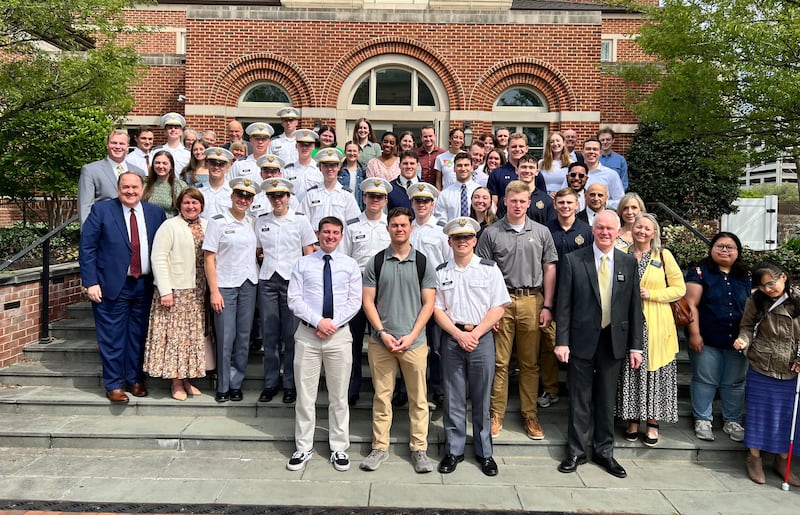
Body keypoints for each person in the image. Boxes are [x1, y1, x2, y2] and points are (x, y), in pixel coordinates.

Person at [555, 209, 643, 479]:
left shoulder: (628, 263)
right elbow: (564, 305)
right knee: (579, 399)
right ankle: (576, 452)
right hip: (581, 340)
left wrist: (636, 346)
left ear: (618, 232)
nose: (605, 232)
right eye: (600, 227)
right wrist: (562, 341)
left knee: (606, 400)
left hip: (613, 341)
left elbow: (633, 307)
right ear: (593, 229)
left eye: (610, 229)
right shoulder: (572, 260)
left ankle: (604, 452)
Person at [476, 180, 558, 440]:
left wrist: (547, 305)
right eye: (514, 201)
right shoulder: (491, 232)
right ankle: (496, 413)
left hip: (532, 300)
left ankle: (529, 414)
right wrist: (490, 309)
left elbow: (550, 269)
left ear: (529, 203)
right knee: (499, 362)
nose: (518, 205)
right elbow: (484, 273)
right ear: (505, 202)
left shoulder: (542, 232)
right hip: (502, 302)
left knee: (530, 363)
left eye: (523, 201)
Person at [360, 207, 437, 474]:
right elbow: (367, 300)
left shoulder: (423, 262)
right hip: (382, 342)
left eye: (404, 225)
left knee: (418, 399)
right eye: (395, 225)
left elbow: (429, 304)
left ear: (411, 228)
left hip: (414, 342)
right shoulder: (377, 261)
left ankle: (419, 449)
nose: (399, 229)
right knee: (382, 397)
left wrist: (413, 335)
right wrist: (381, 332)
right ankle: (379, 447)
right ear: (388, 228)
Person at [79, 172, 167, 403]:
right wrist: (90, 282)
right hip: (110, 286)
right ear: (118, 188)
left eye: (134, 187)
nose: (130, 191)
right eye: (125, 187)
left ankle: (135, 379)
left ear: (142, 188)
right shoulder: (102, 211)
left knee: (138, 336)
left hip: (145, 286)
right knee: (112, 337)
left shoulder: (155, 213)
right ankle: (115, 384)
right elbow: (87, 248)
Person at [433, 216, 511, 476]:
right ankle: (453, 451)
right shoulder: (441, 271)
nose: (462, 242)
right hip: (453, 339)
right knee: (453, 397)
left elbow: (498, 306)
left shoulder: (489, 269)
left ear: (475, 240)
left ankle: (484, 452)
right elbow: (437, 309)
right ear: (450, 241)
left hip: (481, 338)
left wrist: (474, 334)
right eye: (457, 238)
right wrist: (458, 334)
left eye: (467, 237)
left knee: (481, 397)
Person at [286, 216, 362, 472]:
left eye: (335, 233)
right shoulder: (302, 263)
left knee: (339, 396)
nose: (330, 236)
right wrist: (319, 322)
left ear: (341, 236)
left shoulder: (350, 265)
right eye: (326, 232)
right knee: (305, 396)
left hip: (339, 336)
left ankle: (339, 447)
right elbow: (294, 299)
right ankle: (303, 447)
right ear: (318, 233)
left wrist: (332, 324)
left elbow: (355, 301)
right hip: (308, 335)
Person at [617, 213, 684, 446]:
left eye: (647, 228)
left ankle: (653, 422)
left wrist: (652, 294)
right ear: (632, 229)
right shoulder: (622, 254)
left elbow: (679, 289)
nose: (642, 231)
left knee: (655, 373)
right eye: (638, 227)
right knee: (632, 370)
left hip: (656, 321)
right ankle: (633, 419)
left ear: (654, 233)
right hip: (629, 322)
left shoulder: (663, 256)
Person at [734, 262, 800, 486]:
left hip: (791, 368)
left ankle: (782, 461)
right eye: (762, 286)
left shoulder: (797, 298)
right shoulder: (755, 300)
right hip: (762, 364)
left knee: (787, 417)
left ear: (783, 277)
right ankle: (754, 459)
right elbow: (747, 326)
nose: (768, 289)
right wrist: (743, 340)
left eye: (771, 283)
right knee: (758, 414)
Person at [684, 232, 750, 443]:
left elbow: (753, 309)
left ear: (737, 252)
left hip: (738, 340)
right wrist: (694, 334)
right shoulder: (699, 273)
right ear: (711, 248)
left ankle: (733, 420)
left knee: (735, 382)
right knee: (705, 380)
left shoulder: (746, 276)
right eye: (720, 246)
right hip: (707, 337)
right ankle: (703, 419)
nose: (724, 250)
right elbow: (690, 305)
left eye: (730, 247)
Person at [143, 187, 208, 400]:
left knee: (191, 339)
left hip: (198, 292)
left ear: (201, 206)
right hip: (176, 291)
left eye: (195, 203)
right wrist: (165, 290)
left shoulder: (207, 226)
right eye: (187, 203)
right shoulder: (169, 226)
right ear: (179, 205)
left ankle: (188, 378)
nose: (191, 207)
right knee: (175, 340)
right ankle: (176, 383)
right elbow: (158, 258)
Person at [256, 178, 316, 404]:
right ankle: (271, 382)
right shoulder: (261, 221)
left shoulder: (300, 220)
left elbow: (308, 252)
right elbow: (259, 250)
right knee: (270, 335)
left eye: (281, 195)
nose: (277, 199)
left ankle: (290, 383)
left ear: (289, 197)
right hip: (268, 280)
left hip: (293, 282)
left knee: (292, 336)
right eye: (272, 196)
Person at [202, 177, 260, 403]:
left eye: (248, 197)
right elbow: (209, 259)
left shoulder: (252, 222)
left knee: (243, 337)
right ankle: (223, 385)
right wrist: (213, 291)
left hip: (248, 283)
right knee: (226, 337)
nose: (243, 200)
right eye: (239, 195)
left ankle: (237, 383)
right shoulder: (217, 221)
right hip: (225, 285)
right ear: (232, 196)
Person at [340, 178, 393, 405]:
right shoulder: (352, 225)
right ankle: (352, 386)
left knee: (383, 339)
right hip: (357, 286)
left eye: (379, 197)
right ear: (363, 198)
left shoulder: (391, 225)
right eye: (371, 196)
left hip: (385, 288)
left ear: (385, 200)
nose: (375, 200)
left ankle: (383, 388)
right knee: (351, 340)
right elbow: (343, 260)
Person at [540, 187, 593, 409]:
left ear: (577, 204)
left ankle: (575, 389)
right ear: (555, 205)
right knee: (548, 345)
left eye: (569, 203)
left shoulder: (588, 231)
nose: (565, 206)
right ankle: (550, 388)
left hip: (579, 299)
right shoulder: (545, 230)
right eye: (561, 203)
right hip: (551, 297)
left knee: (577, 346)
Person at [78, 129, 146, 225]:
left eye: (122, 144)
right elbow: (85, 207)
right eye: (114, 143)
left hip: (132, 227)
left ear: (127, 147)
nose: (118, 147)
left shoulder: (139, 172)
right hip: (103, 227)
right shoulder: (90, 170)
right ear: (107, 145)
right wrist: (87, 235)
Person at [298, 148, 360, 229]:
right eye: (326, 165)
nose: (329, 169)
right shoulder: (311, 194)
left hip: (340, 240)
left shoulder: (346, 195)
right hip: (315, 240)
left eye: (333, 165)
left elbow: (354, 223)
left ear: (338, 167)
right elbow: (301, 221)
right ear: (320, 168)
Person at [561, 138, 624, 209]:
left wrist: (601, 202)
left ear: (600, 153)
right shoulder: (573, 173)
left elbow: (620, 201)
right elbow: (563, 194)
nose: (591, 152)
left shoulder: (611, 174)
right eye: (588, 149)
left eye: (595, 149)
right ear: (582, 152)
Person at [435, 152, 480, 222]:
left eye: (466, 165)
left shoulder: (480, 192)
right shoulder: (444, 194)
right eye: (459, 165)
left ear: (472, 168)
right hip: (451, 232)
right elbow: (440, 220)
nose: (463, 168)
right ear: (454, 168)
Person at [142, 150, 188, 217]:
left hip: (170, 225)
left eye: (165, 163)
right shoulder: (144, 183)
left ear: (171, 166)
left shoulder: (179, 185)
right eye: (157, 163)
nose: (160, 166)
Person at [283, 128, 324, 201]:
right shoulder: (287, 170)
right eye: (301, 145)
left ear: (313, 147)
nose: (305, 148)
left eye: (308, 145)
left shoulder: (320, 169)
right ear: (296, 146)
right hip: (293, 210)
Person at [516, 154, 554, 225]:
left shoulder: (547, 201)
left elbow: (551, 228)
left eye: (531, 167)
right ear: (517, 170)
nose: (527, 171)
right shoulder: (508, 199)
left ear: (537, 172)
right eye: (524, 167)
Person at [199, 148, 234, 219]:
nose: (216, 167)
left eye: (221, 164)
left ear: (227, 167)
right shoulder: (199, 191)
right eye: (213, 163)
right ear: (207, 165)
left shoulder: (232, 192)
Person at [339, 141, 366, 211]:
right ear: (345, 152)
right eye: (349, 151)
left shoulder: (364, 172)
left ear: (359, 153)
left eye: (354, 151)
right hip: (342, 209)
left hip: (358, 210)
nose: (352, 153)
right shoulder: (339, 171)